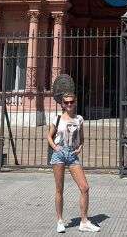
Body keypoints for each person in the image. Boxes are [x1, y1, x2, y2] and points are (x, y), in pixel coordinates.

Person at [48, 93, 100, 233]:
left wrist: (80, 148)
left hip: (72, 155)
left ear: (75, 103)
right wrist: (55, 147)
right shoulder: (57, 118)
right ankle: (60, 221)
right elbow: (49, 136)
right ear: (63, 104)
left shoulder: (79, 119)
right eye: (67, 102)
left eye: (71, 102)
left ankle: (84, 221)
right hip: (59, 154)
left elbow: (82, 138)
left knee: (85, 187)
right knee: (60, 189)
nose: (69, 104)